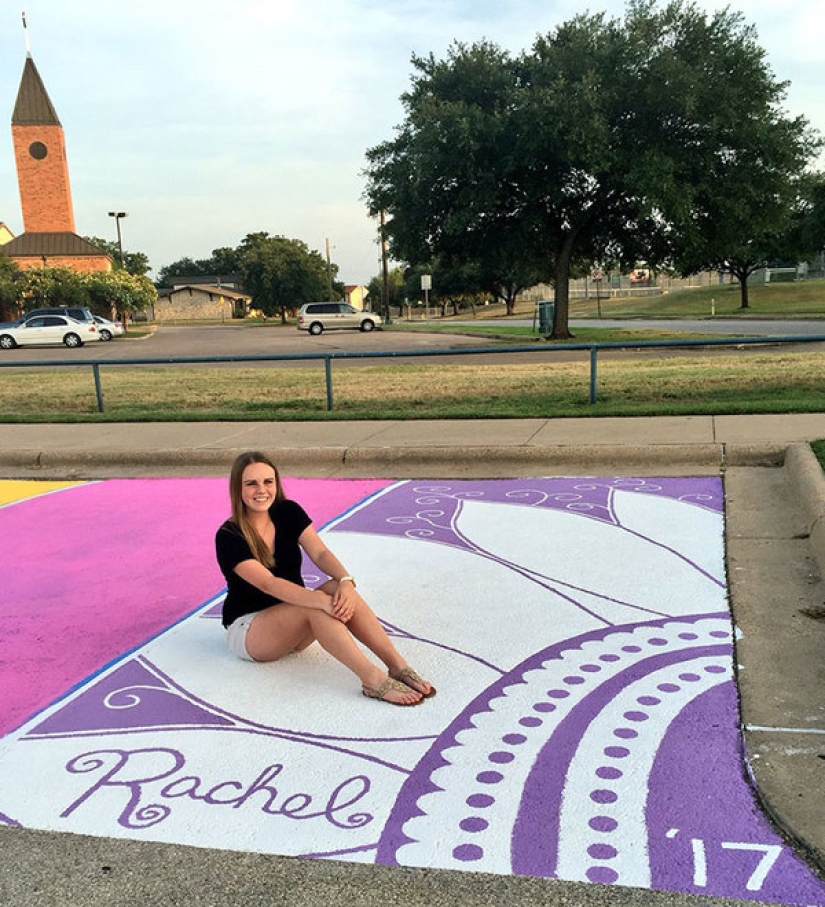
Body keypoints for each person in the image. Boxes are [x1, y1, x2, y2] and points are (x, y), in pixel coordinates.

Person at [215, 451, 435, 706]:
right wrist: (318, 601)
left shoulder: (287, 511)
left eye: (268, 481)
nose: (261, 490)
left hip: (294, 623)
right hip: (250, 630)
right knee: (317, 605)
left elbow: (319, 552)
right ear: (237, 488)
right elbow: (268, 583)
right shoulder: (229, 535)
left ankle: (396, 666)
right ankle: (372, 680)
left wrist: (346, 582)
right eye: (251, 483)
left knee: (334, 589)